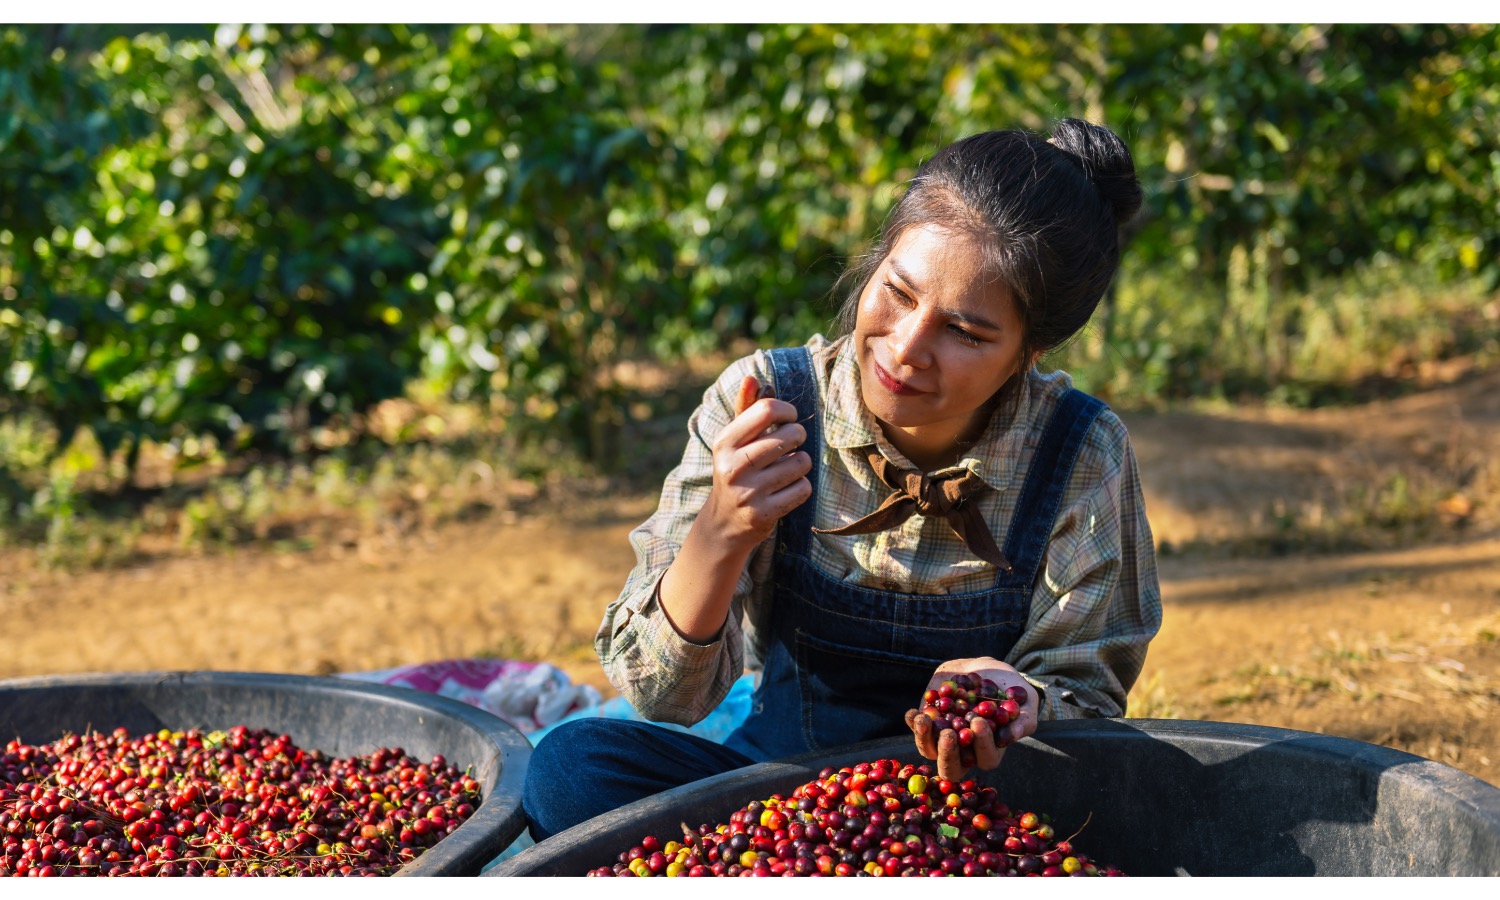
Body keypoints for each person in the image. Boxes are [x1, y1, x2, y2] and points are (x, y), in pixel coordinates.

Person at [520, 118, 1162, 842]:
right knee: (572, 769)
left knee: (1129, 816)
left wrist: (1021, 697)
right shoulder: (765, 403)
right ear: (876, 260)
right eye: (897, 291)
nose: (907, 347)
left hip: (973, 813)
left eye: (966, 332)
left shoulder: (1080, 451)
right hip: (783, 802)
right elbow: (663, 699)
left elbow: (1087, 695)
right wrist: (721, 531)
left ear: (1028, 351)